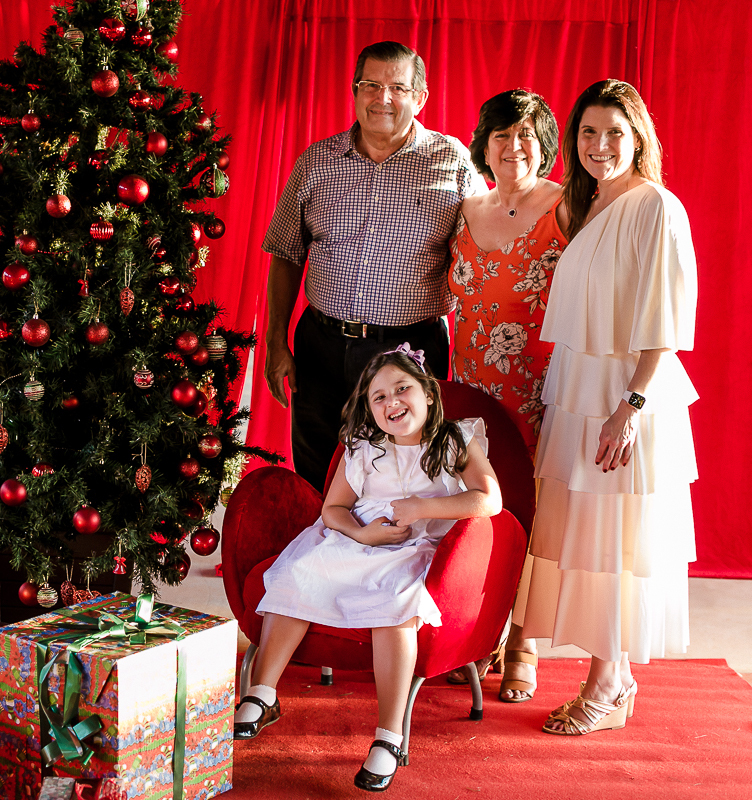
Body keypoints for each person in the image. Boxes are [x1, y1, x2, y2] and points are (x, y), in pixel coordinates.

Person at [510, 79, 698, 735]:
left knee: (617, 544)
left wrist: (632, 406)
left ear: (639, 136)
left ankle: (609, 684)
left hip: (624, 397)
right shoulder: (588, 207)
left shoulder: (655, 207)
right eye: (588, 132)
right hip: (580, 391)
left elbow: (665, 320)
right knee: (590, 541)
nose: (599, 145)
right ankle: (611, 677)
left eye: (614, 131)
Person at [234, 344, 501, 792]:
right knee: (299, 576)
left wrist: (421, 506)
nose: (392, 402)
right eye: (379, 397)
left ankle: (389, 737)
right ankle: (263, 691)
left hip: (411, 546)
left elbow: (489, 499)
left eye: (402, 389)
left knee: (394, 604)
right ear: (370, 410)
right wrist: (362, 534)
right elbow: (333, 509)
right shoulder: (363, 447)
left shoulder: (454, 440)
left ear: (428, 394)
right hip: (356, 539)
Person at [262, 40, 487, 493]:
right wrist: (274, 342)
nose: (382, 98)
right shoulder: (318, 162)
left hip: (410, 353)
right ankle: (321, 562)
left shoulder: (454, 163)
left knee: (399, 480)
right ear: (354, 89)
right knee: (317, 474)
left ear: (419, 97)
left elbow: (485, 253)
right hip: (321, 346)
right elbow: (286, 252)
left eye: (397, 88)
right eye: (371, 85)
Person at [446, 89, 568, 702]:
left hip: (539, 394)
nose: (513, 145)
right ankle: (479, 635)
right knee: (478, 514)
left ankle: (523, 644)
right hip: (470, 391)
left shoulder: (565, 208)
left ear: (544, 143)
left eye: (525, 133)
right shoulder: (465, 209)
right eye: (501, 134)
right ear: (483, 144)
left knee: (533, 518)